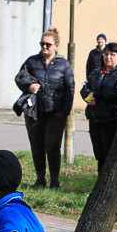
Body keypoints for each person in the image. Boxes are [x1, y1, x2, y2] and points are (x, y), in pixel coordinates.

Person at [14, 28, 75, 189]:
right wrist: (30, 86)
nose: (44, 47)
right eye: (42, 43)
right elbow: (19, 77)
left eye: (48, 44)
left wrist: (65, 111)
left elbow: (70, 88)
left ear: (56, 45)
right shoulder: (32, 61)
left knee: (53, 146)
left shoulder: (63, 65)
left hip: (56, 113)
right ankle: (40, 178)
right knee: (37, 146)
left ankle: (55, 180)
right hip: (35, 112)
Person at [80, 42, 117, 173]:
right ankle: (100, 184)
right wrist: (89, 96)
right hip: (95, 118)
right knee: (99, 155)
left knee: (109, 155)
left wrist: (97, 96)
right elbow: (85, 87)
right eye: (106, 54)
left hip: (111, 120)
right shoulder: (96, 72)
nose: (108, 57)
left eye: (112, 54)